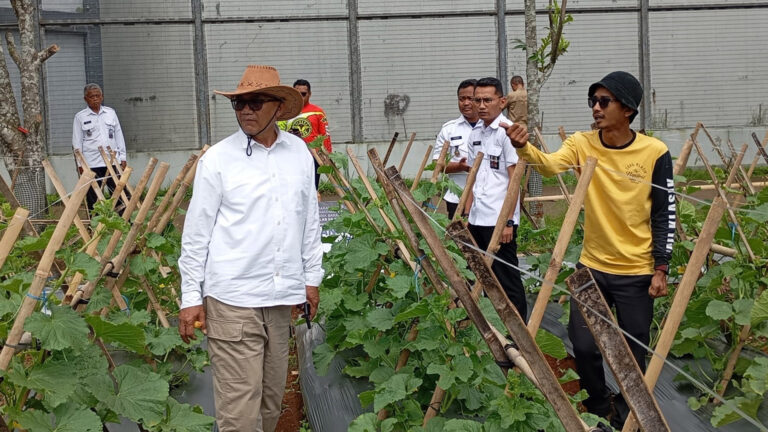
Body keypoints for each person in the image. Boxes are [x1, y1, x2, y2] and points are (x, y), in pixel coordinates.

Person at [503, 71, 675, 428]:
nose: (596, 108)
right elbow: (549, 167)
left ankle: (629, 416)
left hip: (636, 270)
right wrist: (522, 145)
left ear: (627, 109)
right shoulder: (583, 143)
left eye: (604, 101)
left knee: (633, 352)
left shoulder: (654, 152)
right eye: (593, 101)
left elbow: (664, 212)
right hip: (592, 266)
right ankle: (599, 406)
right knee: (583, 345)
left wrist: (662, 267)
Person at [178, 65, 324, 432]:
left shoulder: (299, 155)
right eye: (239, 104)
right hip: (231, 297)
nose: (245, 110)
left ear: (278, 107)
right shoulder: (218, 160)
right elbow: (196, 234)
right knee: (240, 413)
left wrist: (311, 278)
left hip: (279, 296)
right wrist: (189, 297)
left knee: (271, 401)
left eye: (255, 103)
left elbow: (308, 220)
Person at [463, 77, 527, 319]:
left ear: (501, 102)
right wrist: (467, 215)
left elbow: (514, 180)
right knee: (485, 277)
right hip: (478, 217)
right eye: (476, 100)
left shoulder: (508, 132)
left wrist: (509, 221)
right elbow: (472, 178)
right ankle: (497, 327)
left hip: (499, 220)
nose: (480, 105)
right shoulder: (475, 133)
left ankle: (520, 331)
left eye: (487, 100)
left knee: (507, 278)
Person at [72, 83, 128, 210]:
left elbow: (119, 135)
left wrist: (123, 157)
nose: (95, 99)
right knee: (93, 196)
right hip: (92, 163)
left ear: (102, 97)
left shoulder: (110, 113)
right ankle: (95, 225)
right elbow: (77, 143)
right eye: (92, 96)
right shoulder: (80, 117)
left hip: (112, 160)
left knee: (119, 191)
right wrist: (80, 165)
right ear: (86, 99)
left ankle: (124, 223)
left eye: (98, 96)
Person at [433, 79, 479, 219]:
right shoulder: (449, 129)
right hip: (457, 196)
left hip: (487, 197)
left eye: (470, 99)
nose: (465, 103)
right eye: (461, 99)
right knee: (458, 238)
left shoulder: (493, 128)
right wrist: (460, 167)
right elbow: (437, 164)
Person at [277, 79, 332, 190]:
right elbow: (278, 133)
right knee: (292, 189)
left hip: (313, 156)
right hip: (291, 155)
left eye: (303, 94)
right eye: (297, 94)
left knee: (312, 188)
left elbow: (325, 135)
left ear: (310, 94)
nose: (300, 97)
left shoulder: (318, 112)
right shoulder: (285, 112)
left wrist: (327, 155)